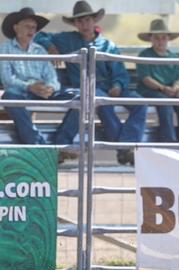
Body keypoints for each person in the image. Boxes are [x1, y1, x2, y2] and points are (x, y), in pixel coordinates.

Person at [34, 1, 147, 165]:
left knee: (140, 104)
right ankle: (125, 149)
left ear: (94, 21)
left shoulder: (108, 45)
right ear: (75, 24)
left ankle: (126, 145)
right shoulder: (67, 39)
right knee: (100, 101)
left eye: (87, 20)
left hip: (111, 87)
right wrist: (51, 46)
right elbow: (38, 35)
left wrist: (118, 85)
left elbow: (120, 72)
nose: (84, 24)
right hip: (88, 87)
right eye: (79, 21)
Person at [0, 7, 80, 163]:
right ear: (16, 27)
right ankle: (39, 146)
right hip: (21, 92)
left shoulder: (40, 50)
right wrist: (30, 86)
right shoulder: (5, 49)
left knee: (80, 96)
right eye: (27, 26)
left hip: (42, 91)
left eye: (34, 28)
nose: (31, 30)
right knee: (10, 97)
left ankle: (61, 144)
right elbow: (7, 79)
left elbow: (52, 77)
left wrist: (50, 88)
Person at [136, 19, 179, 143]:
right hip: (150, 91)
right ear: (151, 39)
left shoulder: (174, 58)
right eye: (157, 38)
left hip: (169, 91)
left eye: (163, 38)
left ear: (168, 39)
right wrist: (163, 88)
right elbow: (146, 79)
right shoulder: (144, 55)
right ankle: (169, 141)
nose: (160, 41)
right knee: (165, 104)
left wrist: (177, 88)